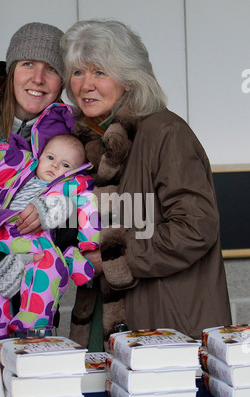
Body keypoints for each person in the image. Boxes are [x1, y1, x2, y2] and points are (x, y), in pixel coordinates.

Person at [60, 19, 232, 350]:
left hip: (168, 326)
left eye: (100, 72)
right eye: (78, 73)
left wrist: (113, 260)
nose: (85, 85)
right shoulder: (94, 143)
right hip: (107, 320)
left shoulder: (165, 132)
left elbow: (195, 228)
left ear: (129, 78)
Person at [0, 22, 75, 326]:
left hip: (30, 308)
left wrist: (61, 209)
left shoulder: (69, 140)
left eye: (51, 69)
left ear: (61, 82)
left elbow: (78, 226)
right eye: (28, 64)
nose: (38, 78)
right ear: (11, 70)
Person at [0, 130, 100, 342]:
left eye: (66, 165)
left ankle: (33, 325)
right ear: (39, 156)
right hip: (0, 236)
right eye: (50, 158)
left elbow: (88, 205)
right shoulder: (24, 170)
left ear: (75, 171)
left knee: (51, 268)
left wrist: (89, 241)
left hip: (36, 241)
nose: (56, 166)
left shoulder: (72, 185)